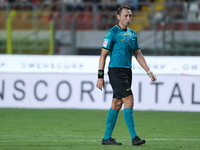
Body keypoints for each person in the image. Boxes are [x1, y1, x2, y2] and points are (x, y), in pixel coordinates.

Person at [96, 5, 157, 146]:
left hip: (127, 71)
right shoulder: (111, 33)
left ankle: (106, 138)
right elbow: (103, 56)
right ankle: (134, 137)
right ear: (118, 17)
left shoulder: (132, 34)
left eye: (130, 16)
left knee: (117, 103)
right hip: (116, 71)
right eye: (125, 16)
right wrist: (100, 76)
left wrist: (149, 71)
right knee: (129, 100)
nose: (128, 18)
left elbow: (138, 54)